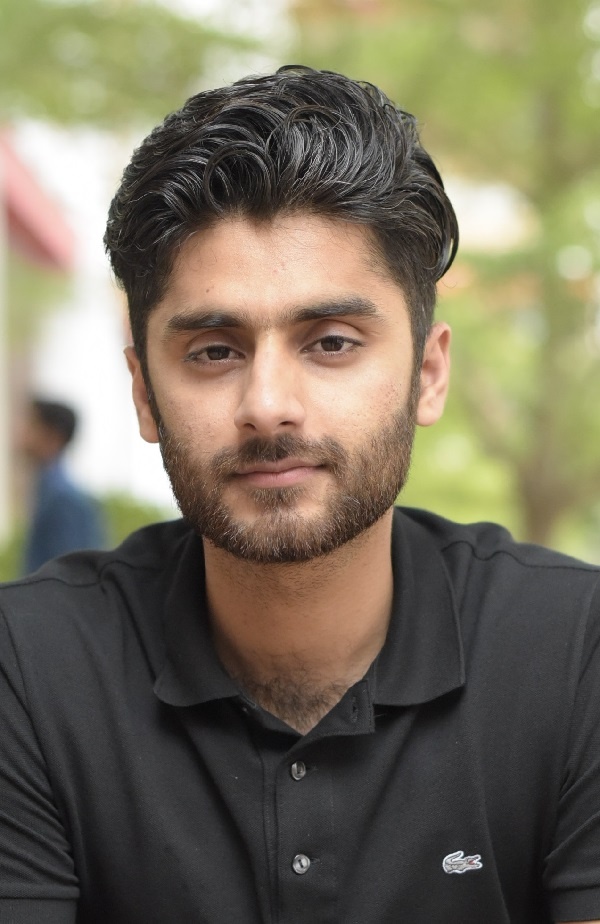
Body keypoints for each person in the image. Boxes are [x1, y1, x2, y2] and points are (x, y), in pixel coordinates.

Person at [0, 66, 598, 924]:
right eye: (214, 350)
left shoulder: (575, 653)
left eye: (331, 342)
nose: (269, 405)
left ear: (428, 375)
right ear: (143, 394)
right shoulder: (27, 669)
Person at [18, 397, 106, 573]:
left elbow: (69, 576)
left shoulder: (64, 499)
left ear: (52, 436)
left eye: (31, 425)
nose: (22, 432)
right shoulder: (47, 491)